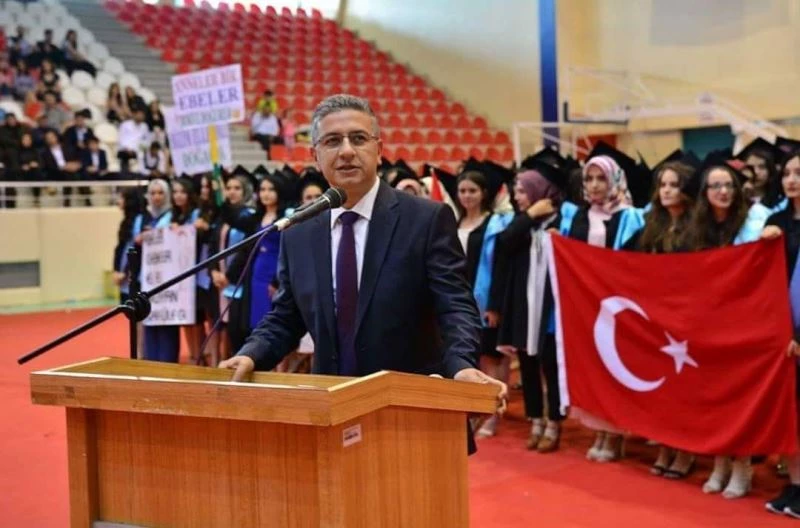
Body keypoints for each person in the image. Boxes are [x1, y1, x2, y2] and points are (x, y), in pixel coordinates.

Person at [219, 94, 507, 427]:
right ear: (315, 156)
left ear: (378, 149)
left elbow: (455, 305)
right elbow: (287, 315)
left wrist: (462, 365)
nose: (346, 151)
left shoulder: (425, 219)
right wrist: (251, 354)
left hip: (409, 409)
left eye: (358, 138)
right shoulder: (299, 230)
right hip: (330, 409)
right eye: (332, 141)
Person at [682, 160, 759, 499]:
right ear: (705, 192)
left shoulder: (753, 224)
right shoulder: (696, 231)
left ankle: (743, 465)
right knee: (715, 395)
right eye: (715, 186)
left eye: (729, 185)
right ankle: (720, 462)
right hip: (709, 321)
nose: (723, 191)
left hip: (743, 321)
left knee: (740, 397)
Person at [495, 164, 567, 452]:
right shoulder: (522, 223)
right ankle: (535, 419)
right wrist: (528, 216)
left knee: (550, 365)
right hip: (525, 306)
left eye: (523, 191)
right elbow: (504, 244)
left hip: (551, 309)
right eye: (516, 191)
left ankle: (555, 422)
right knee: (527, 365)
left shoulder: (562, 220)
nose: (517, 196)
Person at [455, 170, 513, 437]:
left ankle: (492, 414)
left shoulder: (495, 224)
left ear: (484, 194)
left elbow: (500, 267)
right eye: (462, 191)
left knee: (490, 358)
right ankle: (473, 411)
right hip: (461, 300)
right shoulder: (454, 221)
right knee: (470, 356)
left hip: (485, 299)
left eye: (472, 191)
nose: (467, 196)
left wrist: (494, 305)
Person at [763, 146, 800, 518]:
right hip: (780, 331)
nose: (792, 180)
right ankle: (795, 483)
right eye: (787, 173)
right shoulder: (776, 221)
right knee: (790, 411)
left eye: (799, 174)